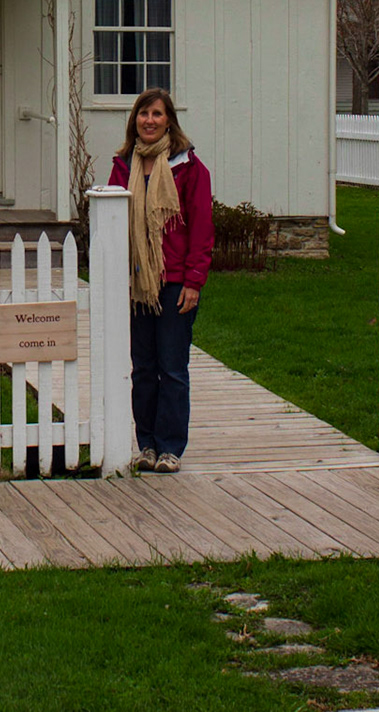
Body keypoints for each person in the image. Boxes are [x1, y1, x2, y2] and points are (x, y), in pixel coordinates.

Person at [107, 86, 213, 474]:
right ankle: (147, 444)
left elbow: (201, 229)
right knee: (142, 369)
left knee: (172, 368)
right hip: (136, 285)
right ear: (134, 120)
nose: (149, 121)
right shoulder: (123, 166)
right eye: (143, 114)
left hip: (174, 284)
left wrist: (194, 281)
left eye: (156, 114)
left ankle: (170, 447)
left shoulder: (189, 168)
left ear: (169, 120)